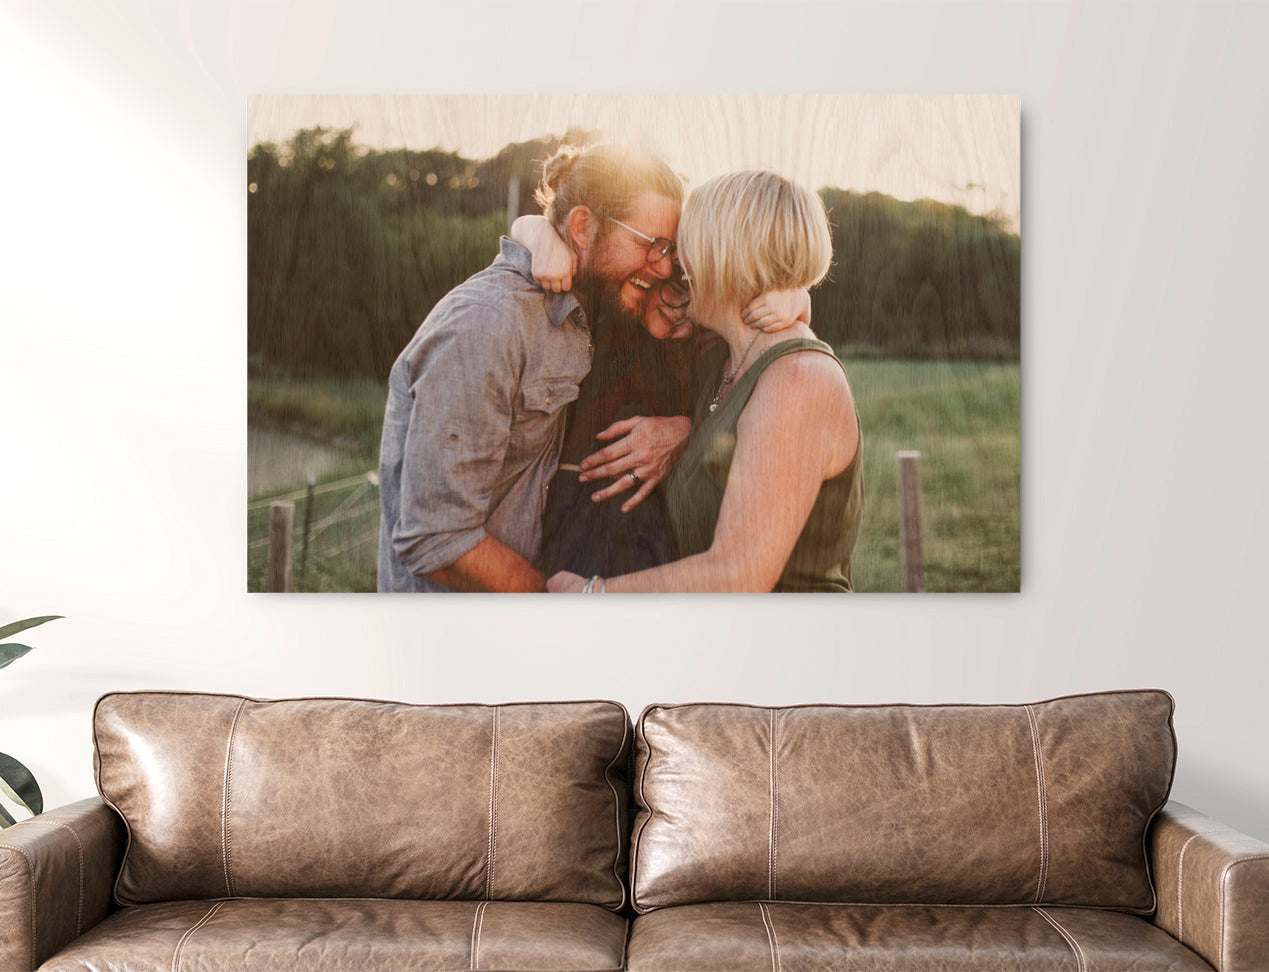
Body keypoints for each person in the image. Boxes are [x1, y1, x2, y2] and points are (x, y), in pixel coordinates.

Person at [377, 143, 683, 592]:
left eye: (669, 250)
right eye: (649, 245)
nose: (663, 267)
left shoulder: (592, 307)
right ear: (582, 227)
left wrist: (682, 431)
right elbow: (437, 540)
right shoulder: (487, 325)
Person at [546, 169, 863, 593]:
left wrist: (593, 595)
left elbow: (739, 576)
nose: (672, 264)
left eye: (686, 247)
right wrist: (539, 235)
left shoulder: (798, 381)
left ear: (726, 255)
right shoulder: (722, 361)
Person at [511, 218, 812, 580]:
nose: (679, 305)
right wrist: (543, 238)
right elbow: (530, 223)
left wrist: (798, 296)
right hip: (578, 511)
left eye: (692, 288)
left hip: (660, 526)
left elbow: (766, 368)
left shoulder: (709, 342)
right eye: (669, 284)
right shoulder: (615, 309)